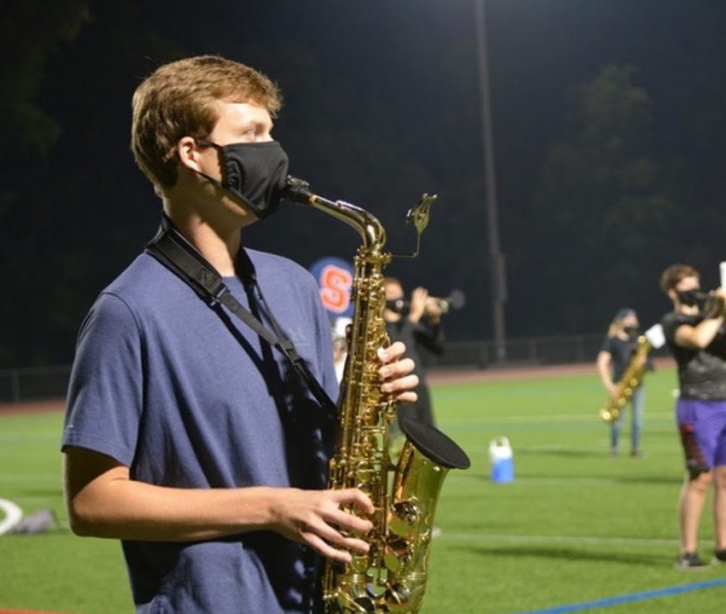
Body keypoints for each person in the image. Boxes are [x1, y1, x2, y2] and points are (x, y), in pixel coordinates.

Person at [60, 56, 420, 613]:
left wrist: (367, 405)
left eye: (272, 133)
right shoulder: (126, 311)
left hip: (318, 594)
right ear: (191, 155)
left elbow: (317, 453)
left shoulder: (294, 284)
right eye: (251, 134)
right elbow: (90, 502)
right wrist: (273, 508)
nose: (273, 152)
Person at [659, 264, 726, 569]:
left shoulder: (712, 319)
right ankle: (688, 551)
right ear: (673, 291)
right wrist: (721, 311)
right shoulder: (673, 321)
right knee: (700, 478)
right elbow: (698, 340)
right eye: (688, 286)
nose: (696, 291)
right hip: (697, 406)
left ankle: (724, 547)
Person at [384, 277, 445, 427]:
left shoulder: (407, 324)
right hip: (400, 391)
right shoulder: (382, 328)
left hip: (420, 387)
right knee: (408, 435)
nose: (397, 297)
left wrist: (435, 321)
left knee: (430, 433)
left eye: (399, 292)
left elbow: (438, 348)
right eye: (392, 293)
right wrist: (414, 316)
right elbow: (399, 343)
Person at [596, 308, 651, 458]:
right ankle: (614, 449)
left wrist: (643, 362)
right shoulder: (612, 340)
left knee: (638, 420)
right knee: (617, 420)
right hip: (620, 384)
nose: (633, 322)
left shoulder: (637, 339)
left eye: (634, 319)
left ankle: (636, 448)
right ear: (620, 321)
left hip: (637, 384)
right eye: (629, 319)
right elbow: (602, 362)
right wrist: (609, 385)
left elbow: (645, 360)